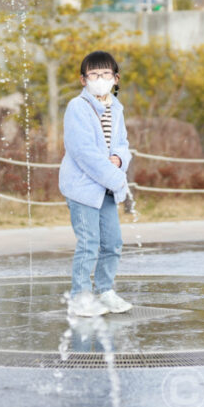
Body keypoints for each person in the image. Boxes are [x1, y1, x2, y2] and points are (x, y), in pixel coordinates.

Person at [58, 51, 133, 317]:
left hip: (106, 188)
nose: (99, 79)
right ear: (83, 79)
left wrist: (119, 159)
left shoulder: (116, 108)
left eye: (105, 74)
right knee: (89, 243)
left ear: (115, 78)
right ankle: (80, 298)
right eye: (93, 75)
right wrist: (116, 177)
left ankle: (105, 291)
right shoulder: (77, 107)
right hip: (83, 188)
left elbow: (123, 145)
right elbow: (84, 153)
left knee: (112, 242)